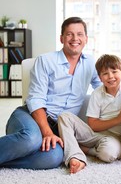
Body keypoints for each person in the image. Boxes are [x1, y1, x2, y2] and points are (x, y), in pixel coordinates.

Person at [0, 16, 101, 170]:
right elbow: (35, 99)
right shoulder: (45, 61)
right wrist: (46, 132)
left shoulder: (90, 63)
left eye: (80, 34)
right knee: (32, 139)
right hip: (30, 116)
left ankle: (5, 160)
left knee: (53, 157)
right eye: (69, 34)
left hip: (59, 128)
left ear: (86, 39)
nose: (75, 38)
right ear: (62, 38)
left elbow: (104, 88)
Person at [58, 54, 121, 174]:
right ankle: (75, 156)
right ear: (100, 78)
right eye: (105, 73)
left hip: (114, 138)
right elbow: (93, 125)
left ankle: (86, 150)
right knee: (64, 117)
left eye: (114, 71)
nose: (110, 76)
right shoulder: (97, 94)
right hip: (94, 135)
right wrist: (118, 119)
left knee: (109, 153)